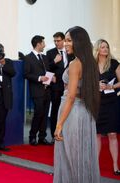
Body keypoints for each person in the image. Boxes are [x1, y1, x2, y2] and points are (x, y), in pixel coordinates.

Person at [53, 26, 100, 183]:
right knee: (83, 156)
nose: (65, 44)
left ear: (78, 42)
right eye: (65, 40)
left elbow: (71, 96)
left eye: (68, 40)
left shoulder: (75, 64)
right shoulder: (90, 62)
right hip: (85, 113)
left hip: (72, 113)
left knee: (69, 157)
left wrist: (59, 124)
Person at [93, 39, 120, 175]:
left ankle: (115, 166)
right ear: (97, 49)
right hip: (97, 103)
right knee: (97, 134)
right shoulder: (91, 65)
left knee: (112, 134)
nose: (105, 49)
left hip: (112, 102)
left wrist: (110, 86)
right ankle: (95, 165)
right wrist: (95, 86)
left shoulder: (114, 63)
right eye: (102, 47)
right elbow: (86, 83)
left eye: (107, 47)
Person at [24, 35, 53, 146]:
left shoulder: (44, 57)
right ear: (38, 44)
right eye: (43, 43)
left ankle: (42, 137)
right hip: (36, 91)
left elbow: (47, 71)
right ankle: (32, 136)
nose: (44, 45)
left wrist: (52, 77)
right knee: (38, 113)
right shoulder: (28, 58)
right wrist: (40, 78)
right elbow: (26, 74)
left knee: (45, 114)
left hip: (47, 90)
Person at [46, 32, 70, 143]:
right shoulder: (50, 53)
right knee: (55, 110)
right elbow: (46, 68)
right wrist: (55, 61)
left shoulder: (70, 52)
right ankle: (54, 135)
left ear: (64, 40)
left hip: (69, 87)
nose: (56, 43)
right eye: (54, 41)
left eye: (58, 40)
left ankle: (67, 133)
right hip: (55, 87)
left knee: (68, 110)